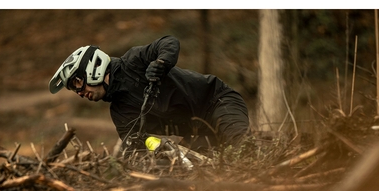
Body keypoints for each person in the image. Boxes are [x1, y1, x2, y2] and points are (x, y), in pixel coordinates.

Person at [49, 35, 250, 151]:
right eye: (73, 89)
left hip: (217, 101)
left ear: (92, 68)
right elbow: (136, 144)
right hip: (197, 132)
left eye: (77, 83)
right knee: (189, 167)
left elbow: (168, 42)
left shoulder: (134, 61)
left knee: (242, 145)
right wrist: (153, 147)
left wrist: (161, 63)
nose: (79, 92)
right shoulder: (120, 112)